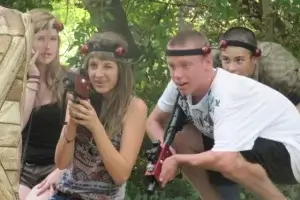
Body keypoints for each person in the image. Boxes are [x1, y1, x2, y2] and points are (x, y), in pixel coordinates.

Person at [147, 30, 300, 200]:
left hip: (289, 152)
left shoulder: (224, 91)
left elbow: (226, 160)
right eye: (172, 66)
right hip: (249, 142)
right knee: (181, 138)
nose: (177, 75)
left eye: (185, 65)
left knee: (228, 161)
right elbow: (153, 121)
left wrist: (177, 160)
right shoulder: (179, 83)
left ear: (207, 62)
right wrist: (164, 151)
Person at [49, 32, 147, 200]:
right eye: (93, 65)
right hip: (65, 194)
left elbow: (121, 174)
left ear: (120, 70)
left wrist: (95, 125)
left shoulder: (134, 107)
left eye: (107, 66)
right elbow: (61, 163)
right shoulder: (80, 96)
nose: (98, 74)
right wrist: (72, 122)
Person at [19, 9, 67, 200]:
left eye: (53, 39)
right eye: (40, 39)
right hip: (22, 167)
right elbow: (18, 125)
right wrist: (33, 77)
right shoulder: (15, 81)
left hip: (54, 167)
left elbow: (76, 132)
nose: (48, 47)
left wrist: (60, 170)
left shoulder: (67, 80)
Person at [216, 26, 300, 109]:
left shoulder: (279, 73)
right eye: (226, 60)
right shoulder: (212, 61)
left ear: (254, 59)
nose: (231, 68)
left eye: (239, 60)